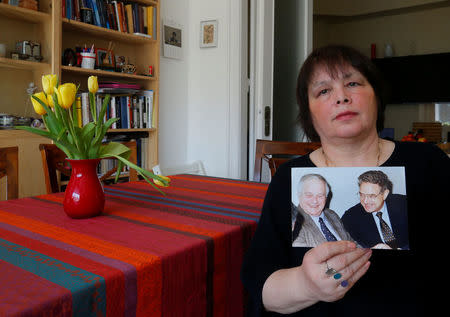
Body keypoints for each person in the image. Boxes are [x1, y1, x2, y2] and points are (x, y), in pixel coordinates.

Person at [241, 44, 450, 316]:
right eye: (324, 90)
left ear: (376, 96)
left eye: (352, 83)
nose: (341, 97)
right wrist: (306, 286)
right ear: (309, 113)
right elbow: (261, 287)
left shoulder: (428, 162)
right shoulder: (287, 180)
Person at [342, 170, 409, 249]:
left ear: (385, 194)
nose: (365, 201)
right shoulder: (350, 217)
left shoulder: (403, 203)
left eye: (372, 196)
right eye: (362, 195)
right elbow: (348, 248)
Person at [292, 174, 355, 247]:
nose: (315, 201)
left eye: (320, 195)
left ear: (326, 198)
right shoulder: (294, 223)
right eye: (309, 195)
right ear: (299, 195)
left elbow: (351, 243)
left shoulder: (331, 214)